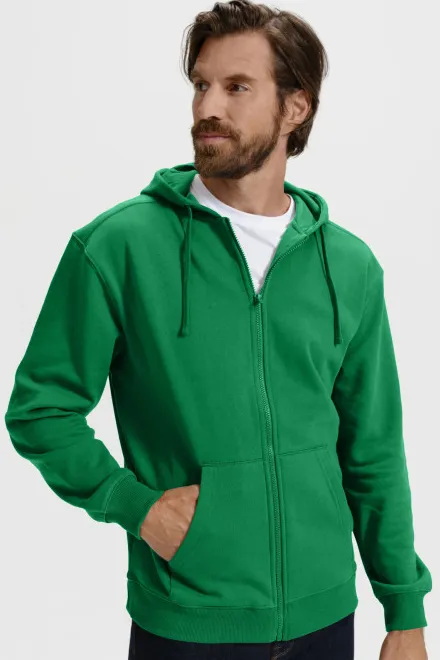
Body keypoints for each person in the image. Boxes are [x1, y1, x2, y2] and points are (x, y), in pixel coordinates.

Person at [4, 1, 432, 659]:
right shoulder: (119, 247)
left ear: (295, 108)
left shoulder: (347, 266)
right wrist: (135, 505)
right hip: (188, 621)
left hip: (325, 615)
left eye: (237, 87)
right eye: (201, 84)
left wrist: (404, 611)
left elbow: (372, 450)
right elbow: (41, 410)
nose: (208, 106)